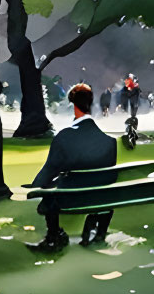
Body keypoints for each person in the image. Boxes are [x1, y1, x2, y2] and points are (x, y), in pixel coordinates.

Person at [28, 82, 117, 248]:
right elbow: (110, 176)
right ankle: (99, 235)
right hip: (100, 199)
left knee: (49, 191)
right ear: (90, 104)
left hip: (68, 200)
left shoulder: (64, 137)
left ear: (73, 106)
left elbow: (48, 171)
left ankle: (54, 237)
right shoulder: (109, 142)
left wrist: (33, 187)